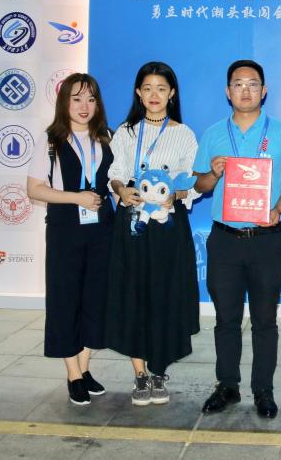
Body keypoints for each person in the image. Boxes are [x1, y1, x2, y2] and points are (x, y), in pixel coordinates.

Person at [193, 60, 281, 419]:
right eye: (238, 84)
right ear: (228, 92)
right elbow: (199, 185)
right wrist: (212, 174)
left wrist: (279, 209)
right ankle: (227, 385)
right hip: (225, 239)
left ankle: (263, 390)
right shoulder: (213, 134)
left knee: (265, 320)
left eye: (253, 84)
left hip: (266, 239)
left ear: (263, 91)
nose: (245, 90)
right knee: (226, 319)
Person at [106, 61, 200, 407]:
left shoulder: (184, 134)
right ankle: (140, 374)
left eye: (161, 88)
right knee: (133, 292)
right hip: (133, 223)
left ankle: (159, 370)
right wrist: (121, 189)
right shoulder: (126, 131)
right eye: (147, 88)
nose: (154, 95)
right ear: (138, 93)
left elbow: (192, 179)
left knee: (165, 293)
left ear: (172, 93)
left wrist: (177, 194)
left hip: (168, 226)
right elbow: (114, 172)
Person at [26, 73, 115, 406]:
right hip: (66, 230)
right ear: (64, 102)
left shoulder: (107, 137)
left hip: (103, 230)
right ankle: (73, 375)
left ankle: (85, 367)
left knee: (96, 300)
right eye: (76, 99)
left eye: (91, 99)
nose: (84, 106)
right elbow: (34, 189)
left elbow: (115, 183)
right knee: (66, 301)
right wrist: (76, 198)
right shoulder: (50, 140)